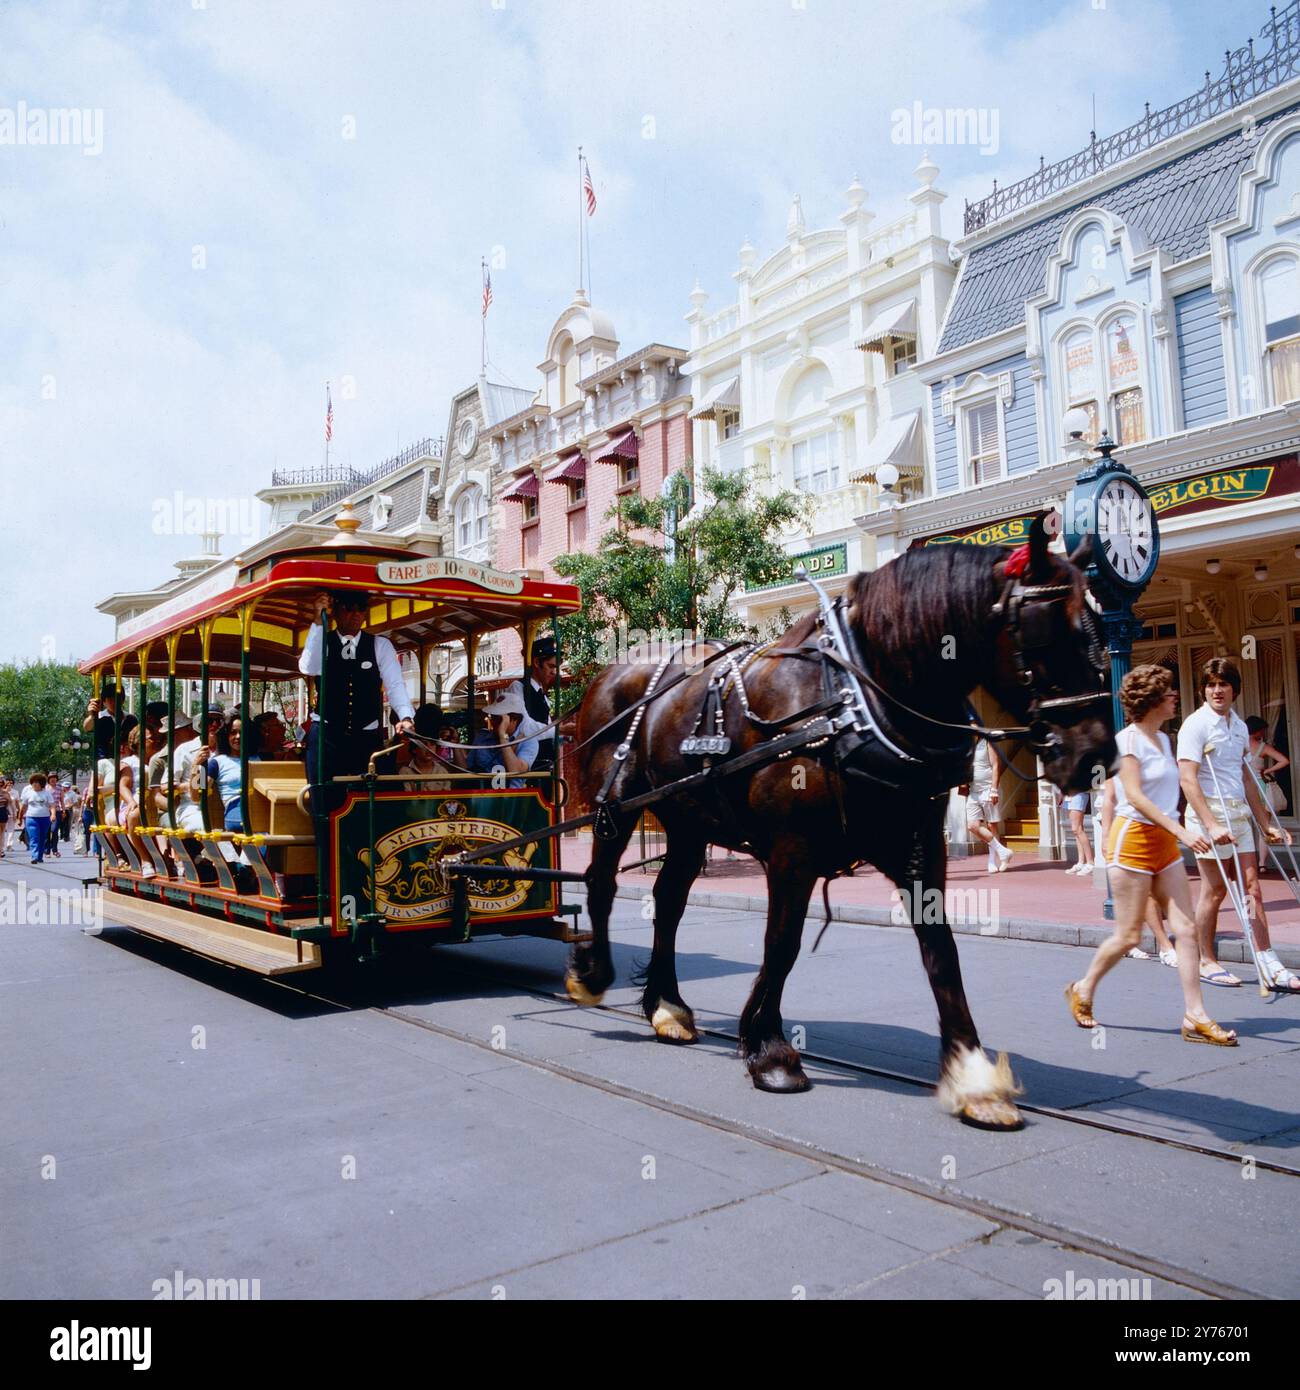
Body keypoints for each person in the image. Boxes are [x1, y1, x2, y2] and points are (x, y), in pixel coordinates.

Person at [1065, 665, 1236, 1046]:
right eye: (1170, 692)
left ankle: (1196, 1015)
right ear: (1153, 700)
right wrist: (1182, 831)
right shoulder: (1126, 742)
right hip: (1134, 842)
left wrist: (1183, 828)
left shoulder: (1163, 739)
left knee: (1187, 930)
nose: (1176, 696)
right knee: (1128, 936)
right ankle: (1083, 987)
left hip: (1164, 844)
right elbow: (1136, 797)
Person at [1177, 658, 1297, 993]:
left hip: (1239, 814)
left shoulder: (1239, 727)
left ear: (1234, 689)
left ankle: (1268, 960)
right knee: (1214, 890)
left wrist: (1265, 824)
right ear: (1204, 689)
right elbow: (1188, 780)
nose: (1217, 690)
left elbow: (1246, 778)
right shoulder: (1194, 725)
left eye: (1224, 684)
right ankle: (1206, 959)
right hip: (1208, 815)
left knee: (1253, 888)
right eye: (1211, 684)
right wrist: (1212, 824)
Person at [299, 590, 416, 876]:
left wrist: (407, 718)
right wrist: (317, 623)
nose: (355, 615)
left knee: (374, 806)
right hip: (327, 738)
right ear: (337, 611)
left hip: (366, 740)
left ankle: (375, 875)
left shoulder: (380, 646)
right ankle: (329, 882)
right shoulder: (322, 642)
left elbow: (395, 685)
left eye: (360, 609)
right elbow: (308, 667)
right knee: (324, 806)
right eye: (348, 608)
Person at [1099, 775, 1175, 965]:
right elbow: (1109, 797)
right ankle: (1165, 946)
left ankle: (1127, 939)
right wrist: (1106, 835)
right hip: (1125, 827)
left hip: (1149, 825)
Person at [464, 689, 541, 789]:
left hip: (510, 799)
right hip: (481, 795)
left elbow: (516, 770)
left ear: (514, 720)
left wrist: (503, 736)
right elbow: (465, 768)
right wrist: (454, 744)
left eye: (499, 719)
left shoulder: (528, 742)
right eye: (493, 717)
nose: (494, 723)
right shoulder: (482, 738)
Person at [961, 738, 1012, 872]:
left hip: (988, 788)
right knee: (972, 826)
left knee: (991, 825)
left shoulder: (987, 741)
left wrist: (994, 790)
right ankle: (1003, 851)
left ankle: (992, 860)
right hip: (973, 790)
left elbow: (995, 765)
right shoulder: (966, 744)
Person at [193, 711, 246, 832]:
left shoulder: (259, 758)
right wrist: (196, 766)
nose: (238, 737)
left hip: (261, 808)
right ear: (226, 736)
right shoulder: (216, 762)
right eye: (233, 733)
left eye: (242, 733)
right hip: (236, 808)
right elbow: (197, 794)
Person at [513, 635, 557, 772]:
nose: (554, 672)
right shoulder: (518, 688)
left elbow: (546, 729)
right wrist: (558, 729)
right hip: (527, 766)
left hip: (546, 766)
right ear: (537, 662)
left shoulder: (542, 694)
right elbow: (524, 727)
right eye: (550, 666)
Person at [1245, 715, 1290, 819]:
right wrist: (1266, 771)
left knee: (1246, 820)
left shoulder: (1238, 745)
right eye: (1262, 730)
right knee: (1265, 820)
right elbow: (1284, 761)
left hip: (1242, 786)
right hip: (1260, 786)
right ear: (1257, 730)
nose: (1263, 733)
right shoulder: (1263, 747)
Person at [1060, 785, 1095, 877]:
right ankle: (1081, 862)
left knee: (1077, 829)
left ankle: (1090, 862)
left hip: (1078, 793)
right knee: (1076, 831)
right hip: (1070, 794)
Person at [20, 773, 54, 866]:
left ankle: (39, 857)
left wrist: (53, 815)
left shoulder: (47, 793)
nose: (34, 784)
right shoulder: (28, 793)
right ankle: (34, 856)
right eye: (33, 782)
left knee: (42, 838)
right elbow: (23, 807)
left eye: (37, 782)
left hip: (44, 819)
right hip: (31, 818)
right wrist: (19, 818)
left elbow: (52, 806)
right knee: (34, 838)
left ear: (41, 783)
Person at [83, 685, 118, 759]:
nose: (114, 703)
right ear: (104, 702)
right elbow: (87, 727)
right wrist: (92, 716)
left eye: (117, 699)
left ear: (123, 700)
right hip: (104, 760)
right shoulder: (99, 716)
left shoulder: (130, 718)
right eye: (110, 700)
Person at [0, 777, 12, 857]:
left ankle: (1, 850)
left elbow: (10, 803)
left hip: (3, 812)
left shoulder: (5, 793)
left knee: (2, 832)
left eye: (1, 784)